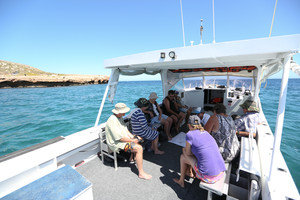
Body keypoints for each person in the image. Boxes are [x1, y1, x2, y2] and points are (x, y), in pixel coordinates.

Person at [173, 115, 226, 188]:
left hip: (209, 177)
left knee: (183, 156)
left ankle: (181, 181)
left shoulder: (189, 134)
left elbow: (188, 153)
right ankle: (190, 173)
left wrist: (185, 150)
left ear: (189, 125)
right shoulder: (206, 132)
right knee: (197, 154)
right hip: (221, 172)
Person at [105, 103, 152, 180]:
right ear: (119, 112)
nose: (125, 113)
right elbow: (120, 139)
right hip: (116, 143)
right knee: (139, 148)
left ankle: (131, 158)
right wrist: (132, 140)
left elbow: (125, 130)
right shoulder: (112, 121)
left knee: (139, 139)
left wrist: (133, 137)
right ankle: (141, 173)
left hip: (122, 139)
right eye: (124, 111)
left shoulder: (119, 118)